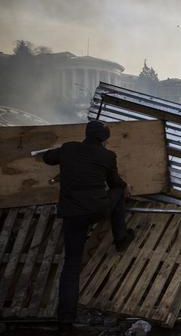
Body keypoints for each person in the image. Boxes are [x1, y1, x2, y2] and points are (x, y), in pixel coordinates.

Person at [43, 120, 135, 331]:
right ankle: (120, 237)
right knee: (118, 192)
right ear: (104, 139)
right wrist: (124, 186)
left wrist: (53, 154)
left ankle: (65, 320)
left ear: (86, 134)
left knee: (71, 266)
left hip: (72, 215)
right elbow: (115, 183)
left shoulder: (68, 149)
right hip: (97, 210)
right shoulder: (108, 156)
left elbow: (48, 158)